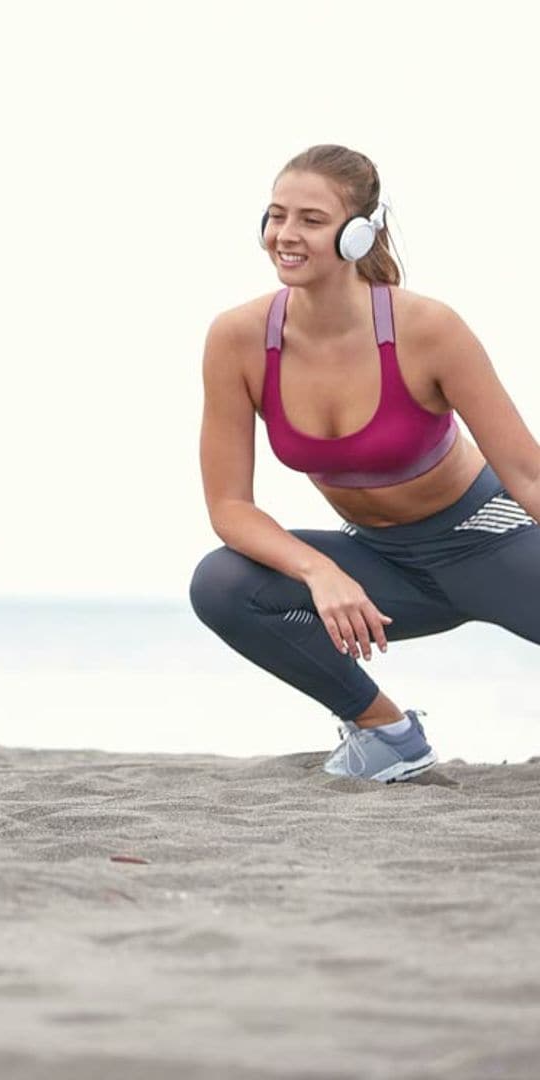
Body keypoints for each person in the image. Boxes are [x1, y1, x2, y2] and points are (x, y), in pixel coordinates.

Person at [189, 144, 540, 781]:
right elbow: (229, 507)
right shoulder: (237, 340)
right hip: (382, 568)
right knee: (222, 586)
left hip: (489, 545)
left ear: (357, 235)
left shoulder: (427, 329)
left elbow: (528, 475)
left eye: (311, 220)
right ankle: (387, 734)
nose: (285, 236)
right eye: (275, 216)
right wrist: (320, 571)